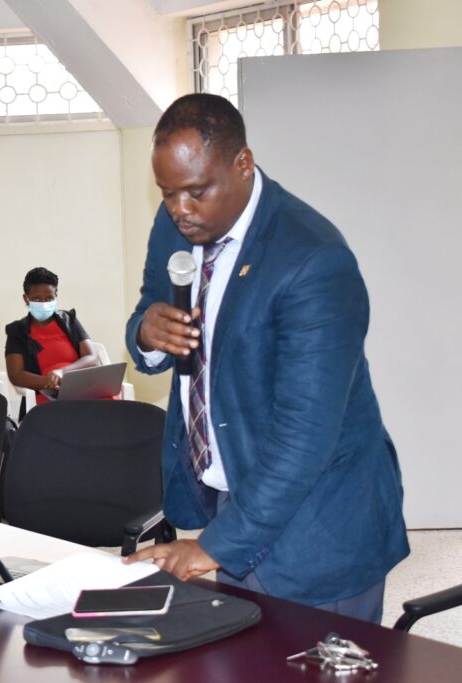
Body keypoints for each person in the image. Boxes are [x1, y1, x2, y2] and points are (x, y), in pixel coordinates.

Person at [123, 93, 408, 622]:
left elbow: (304, 435)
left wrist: (212, 548)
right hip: (234, 492)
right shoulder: (176, 226)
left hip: (320, 518)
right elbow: (148, 304)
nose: (180, 210)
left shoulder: (314, 260)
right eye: (167, 195)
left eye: (195, 191)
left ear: (243, 164)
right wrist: (144, 330)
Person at [4, 267, 99, 406]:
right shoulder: (17, 330)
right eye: (36, 298)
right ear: (26, 298)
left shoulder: (69, 320)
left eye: (49, 298)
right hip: (48, 395)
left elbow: (91, 356)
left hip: (82, 387)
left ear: (56, 296)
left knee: (111, 408)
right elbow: (16, 375)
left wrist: (62, 373)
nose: (43, 303)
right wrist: (50, 382)